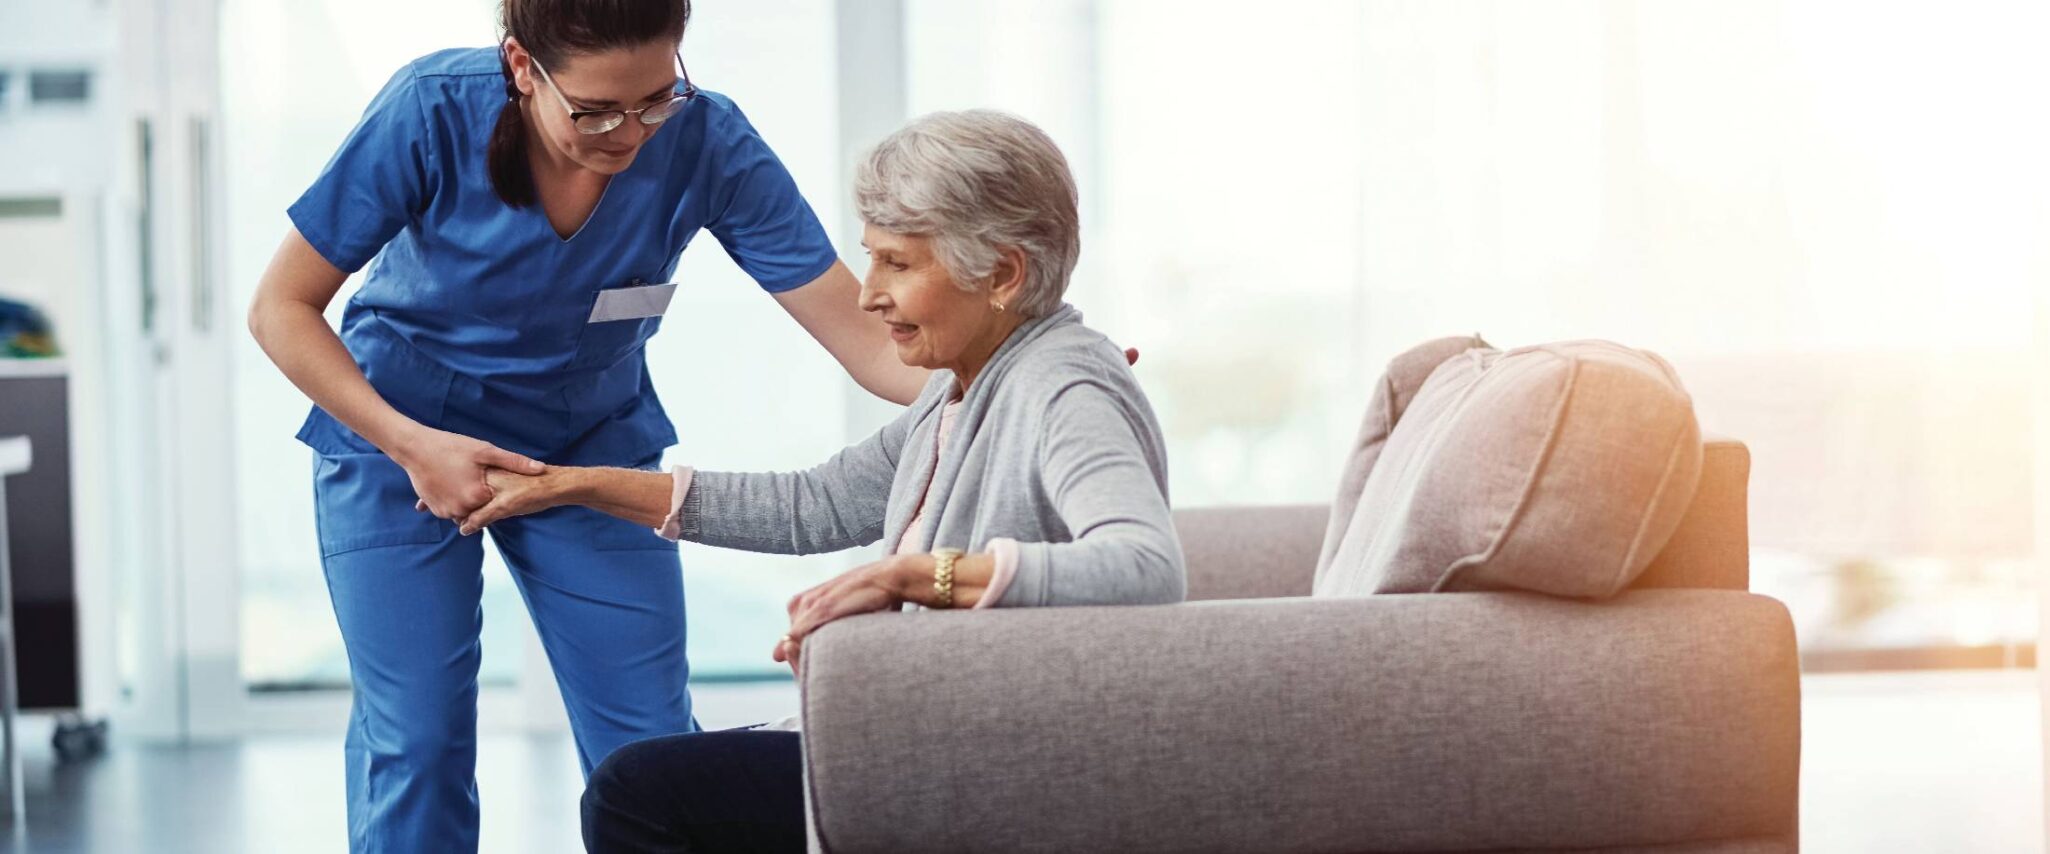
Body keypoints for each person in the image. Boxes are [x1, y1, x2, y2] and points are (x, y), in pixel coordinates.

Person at [243, 1, 926, 849]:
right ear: (522, 67)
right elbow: (281, 307)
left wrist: (1021, 367)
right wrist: (410, 443)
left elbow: (864, 338)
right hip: (402, 440)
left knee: (650, 744)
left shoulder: (706, 138)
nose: (630, 133)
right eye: (596, 110)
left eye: (655, 98)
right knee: (417, 739)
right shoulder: (431, 107)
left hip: (591, 440)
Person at [456, 109, 1188, 853]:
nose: (869, 296)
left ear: (1001, 273)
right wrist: (570, 484)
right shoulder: (962, 383)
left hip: (988, 757)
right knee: (655, 779)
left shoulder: (1064, 384)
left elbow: (1143, 567)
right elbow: (817, 504)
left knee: (637, 794)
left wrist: (909, 578)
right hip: (922, 729)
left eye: (898, 264)